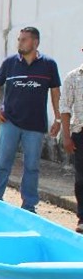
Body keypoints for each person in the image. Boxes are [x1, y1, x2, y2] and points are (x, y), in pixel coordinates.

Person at [0, 26, 62, 213]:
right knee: (3, 162)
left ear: (35, 42)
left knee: (32, 166)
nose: (19, 42)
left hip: (35, 126)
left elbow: (55, 92)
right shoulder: (9, 63)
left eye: (24, 39)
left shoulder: (49, 65)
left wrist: (58, 119)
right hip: (10, 122)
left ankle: (29, 205)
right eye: (19, 39)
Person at [58, 46, 83, 233]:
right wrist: (66, 137)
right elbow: (65, 108)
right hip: (80, 134)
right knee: (81, 178)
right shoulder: (73, 77)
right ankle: (82, 217)